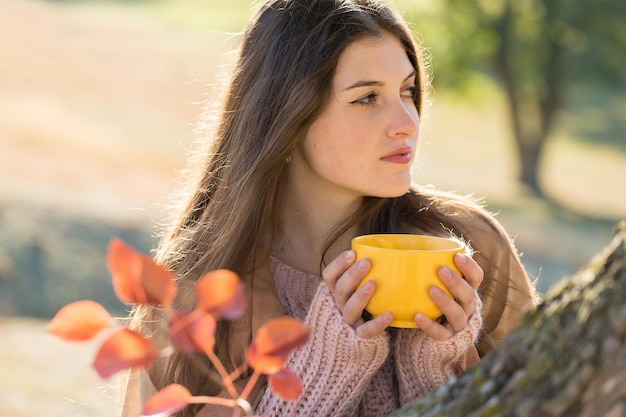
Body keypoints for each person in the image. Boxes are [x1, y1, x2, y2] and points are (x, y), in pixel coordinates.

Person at [121, 0, 537, 416]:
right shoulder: (200, 292)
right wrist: (320, 380)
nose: (407, 121)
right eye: (367, 98)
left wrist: (434, 375)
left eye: (407, 90)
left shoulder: (470, 247)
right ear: (288, 114)